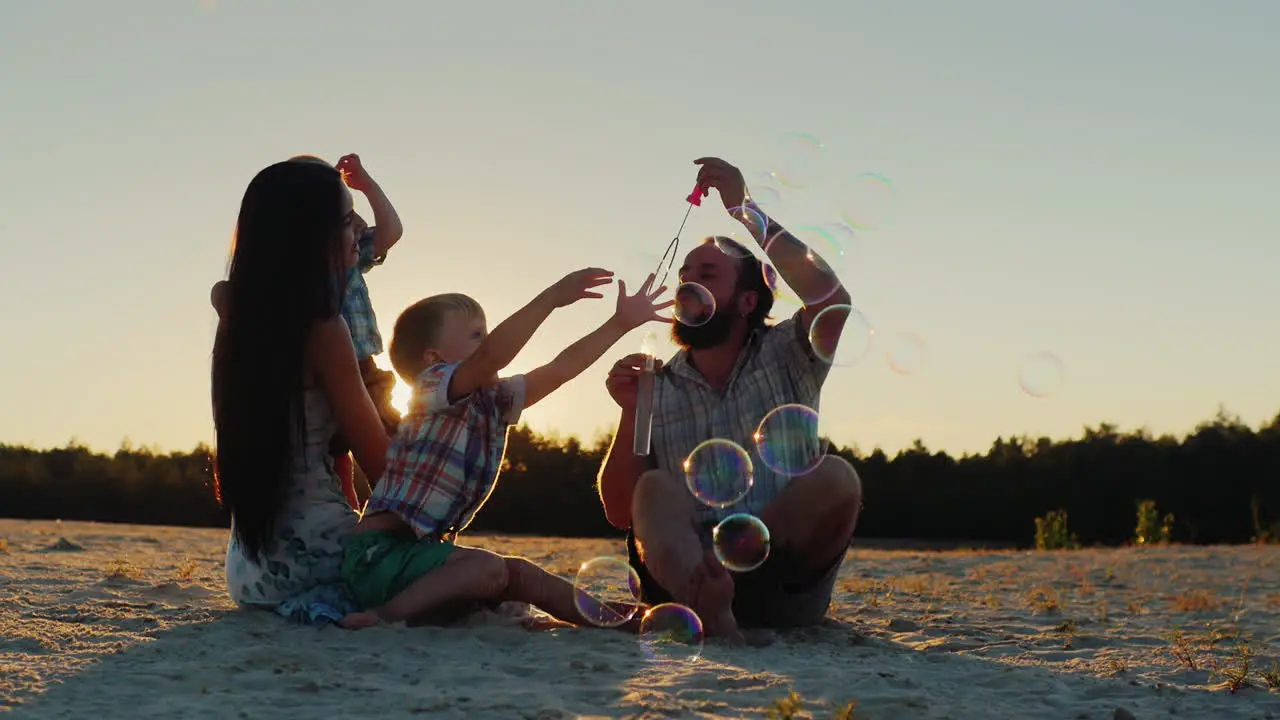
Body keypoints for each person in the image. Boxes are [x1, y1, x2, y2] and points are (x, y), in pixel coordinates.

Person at [597, 157, 864, 642]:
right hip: (679, 585)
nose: (686, 285)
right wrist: (631, 411)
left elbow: (832, 300)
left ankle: (723, 599)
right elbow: (620, 512)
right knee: (653, 487)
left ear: (746, 301)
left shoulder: (789, 353)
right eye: (685, 275)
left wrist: (745, 210)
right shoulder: (656, 384)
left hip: (779, 587)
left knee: (837, 478)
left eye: (708, 275)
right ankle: (704, 600)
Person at [338, 270, 672, 629]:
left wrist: (618, 324)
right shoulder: (430, 387)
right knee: (491, 569)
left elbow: (560, 369)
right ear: (434, 359)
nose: (489, 343)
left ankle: (620, 621)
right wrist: (551, 298)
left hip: (420, 558)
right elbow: (492, 357)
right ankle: (383, 618)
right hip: (377, 557)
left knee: (522, 575)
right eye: (478, 335)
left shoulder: (493, 400)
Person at [212, 158, 392, 624]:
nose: (358, 228)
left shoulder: (239, 321)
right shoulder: (324, 330)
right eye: (347, 219)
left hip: (249, 573)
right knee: (494, 574)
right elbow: (382, 465)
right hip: (319, 560)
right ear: (312, 235)